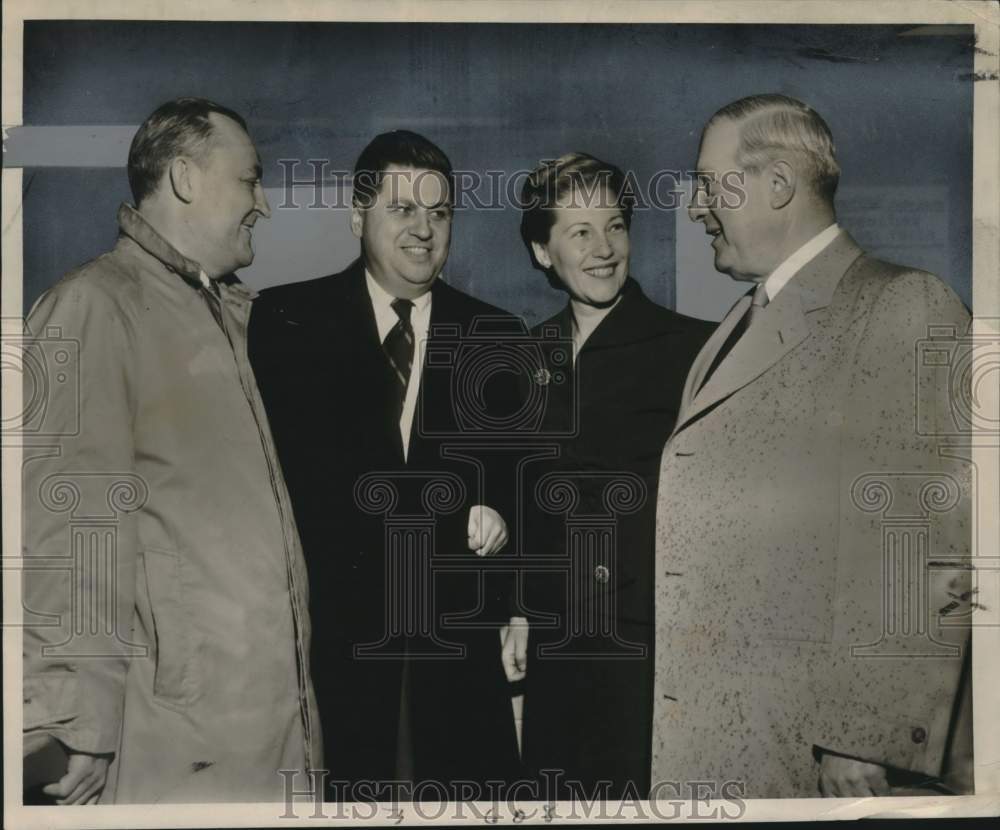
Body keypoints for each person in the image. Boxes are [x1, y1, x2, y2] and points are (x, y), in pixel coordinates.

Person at [651, 94, 973, 798]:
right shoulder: (737, 321)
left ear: (777, 185)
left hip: (819, 756)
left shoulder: (904, 304)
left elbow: (916, 545)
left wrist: (866, 736)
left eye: (710, 184)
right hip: (733, 742)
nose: (696, 207)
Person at [21, 97, 321, 804]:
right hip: (176, 747)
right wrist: (77, 723)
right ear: (185, 176)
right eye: (250, 179)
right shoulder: (96, 305)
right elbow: (72, 525)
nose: (265, 206)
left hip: (272, 736)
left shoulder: (239, 317)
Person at [249, 130, 522, 799]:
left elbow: (524, 485)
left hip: (453, 661)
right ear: (356, 216)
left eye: (439, 212)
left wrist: (504, 519)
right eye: (403, 210)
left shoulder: (498, 336)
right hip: (328, 653)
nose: (423, 230)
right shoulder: (286, 321)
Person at [516, 153, 712, 798]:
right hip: (554, 651)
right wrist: (516, 611)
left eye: (616, 226)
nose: (604, 250)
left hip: (654, 652)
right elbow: (518, 504)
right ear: (543, 252)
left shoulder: (694, 350)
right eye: (579, 232)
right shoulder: (523, 357)